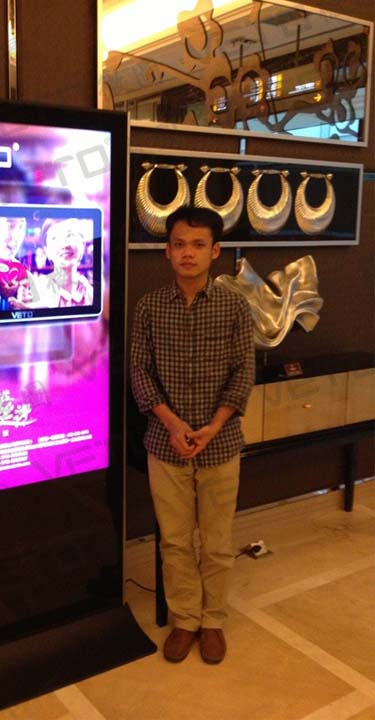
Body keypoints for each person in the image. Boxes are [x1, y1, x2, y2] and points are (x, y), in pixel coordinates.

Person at [130, 206, 255, 665]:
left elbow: (243, 372)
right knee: (175, 541)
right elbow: (139, 371)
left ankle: (213, 619)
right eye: (180, 244)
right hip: (165, 444)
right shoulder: (149, 307)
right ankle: (185, 619)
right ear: (167, 251)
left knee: (217, 542)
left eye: (199, 245)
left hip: (220, 443)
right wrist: (172, 423)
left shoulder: (234, 306)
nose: (188, 253)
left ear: (215, 251)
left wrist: (213, 425)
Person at [27, 217, 94, 308]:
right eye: (55, 238)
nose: (64, 244)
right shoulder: (36, 290)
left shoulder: (91, 293)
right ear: (47, 251)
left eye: (70, 235)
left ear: (82, 245)